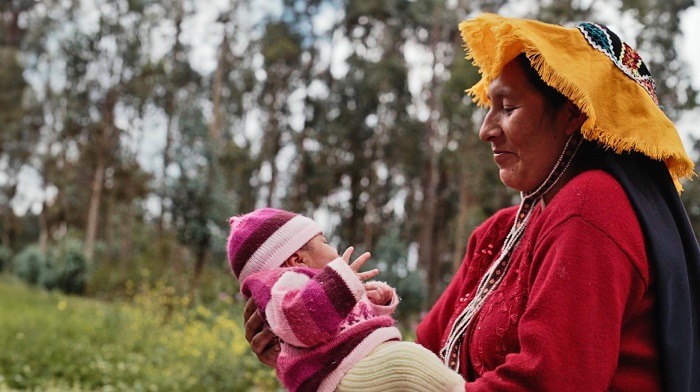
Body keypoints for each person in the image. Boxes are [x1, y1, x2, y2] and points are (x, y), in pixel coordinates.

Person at [244, 14, 700, 391]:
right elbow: (426, 355)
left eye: (508, 107)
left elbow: (551, 383)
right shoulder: (500, 232)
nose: (486, 129)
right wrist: (308, 349)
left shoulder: (592, 205)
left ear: (573, 114)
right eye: (488, 107)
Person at [228, 207, 465, 392]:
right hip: (345, 372)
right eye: (325, 242)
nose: (333, 251)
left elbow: (350, 324)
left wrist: (375, 302)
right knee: (406, 363)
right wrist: (342, 286)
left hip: (356, 365)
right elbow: (305, 322)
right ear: (298, 260)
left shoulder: (321, 292)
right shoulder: (290, 287)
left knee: (411, 362)